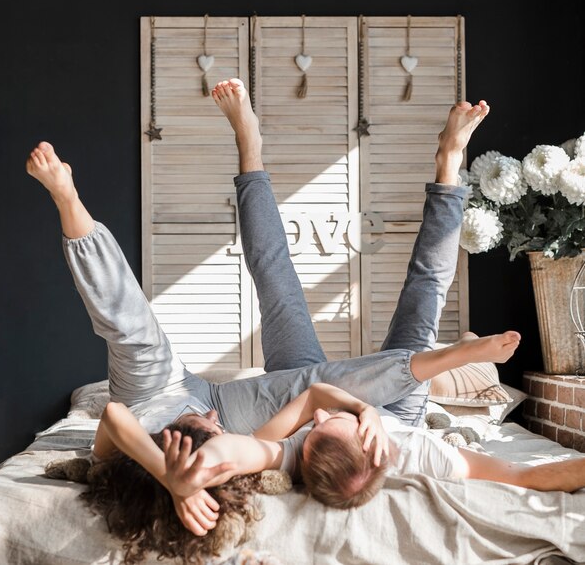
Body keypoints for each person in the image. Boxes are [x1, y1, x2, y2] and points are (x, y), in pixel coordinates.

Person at [27, 78, 523, 558]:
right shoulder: (398, 446)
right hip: (374, 403)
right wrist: (370, 407)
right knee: (417, 297)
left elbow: (116, 417)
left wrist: (169, 474)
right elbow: (314, 397)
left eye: (213, 431)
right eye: (327, 425)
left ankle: (225, 153)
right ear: (376, 456)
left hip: (161, 401)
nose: (322, 418)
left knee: (142, 327)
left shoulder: (161, 458)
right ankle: (449, 163)